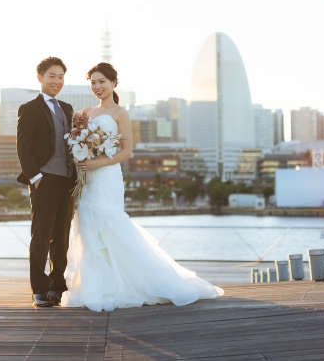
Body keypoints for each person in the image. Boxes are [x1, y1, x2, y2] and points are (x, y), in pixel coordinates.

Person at [62, 62, 223, 312]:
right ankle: (97, 285)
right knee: (87, 224)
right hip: (87, 178)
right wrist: (81, 153)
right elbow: (79, 142)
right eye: (93, 82)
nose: (97, 86)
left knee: (109, 222)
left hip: (106, 176)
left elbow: (126, 150)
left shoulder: (120, 114)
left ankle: (135, 284)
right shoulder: (86, 112)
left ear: (114, 82)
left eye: (102, 81)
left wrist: (99, 161)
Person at [16, 56, 77, 308]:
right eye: (52, 76)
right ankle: (39, 290)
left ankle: (56, 287)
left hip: (67, 181)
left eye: (61, 76)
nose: (57, 81)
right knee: (40, 236)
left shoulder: (68, 108)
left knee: (61, 237)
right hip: (44, 179)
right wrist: (36, 177)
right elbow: (23, 147)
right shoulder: (29, 108)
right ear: (40, 78)